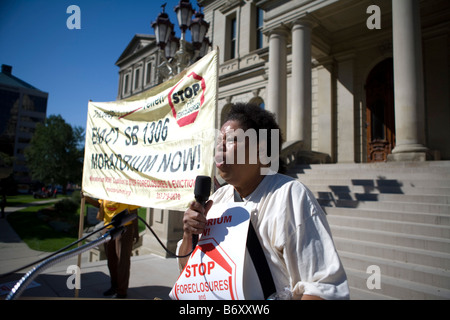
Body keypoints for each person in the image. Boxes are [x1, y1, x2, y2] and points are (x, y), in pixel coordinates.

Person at [177, 102, 349, 300]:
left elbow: (323, 289)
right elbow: (187, 271)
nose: (220, 147)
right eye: (218, 141)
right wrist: (189, 234)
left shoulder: (290, 196)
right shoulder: (216, 201)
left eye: (232, 140)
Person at [82, 193, 140, 299]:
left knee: (122, 261)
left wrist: (135, 232)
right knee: (111, 260)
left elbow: (134, 212)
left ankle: (122, 291)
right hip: (108, 229)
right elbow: (99, 206)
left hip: (124, 229)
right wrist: (86, 198)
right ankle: (114, 286)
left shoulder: (127, 192)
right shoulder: (105, 191)